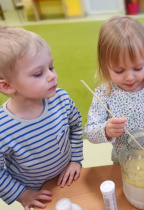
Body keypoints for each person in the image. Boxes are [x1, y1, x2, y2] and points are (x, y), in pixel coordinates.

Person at [84, 16, 144, 177]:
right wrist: (106, 130)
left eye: (137, 68)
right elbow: (89, 132)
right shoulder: (104, 92)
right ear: (105, 65)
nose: (130, 77)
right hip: (124, 163)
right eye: (119, 71)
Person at [0, 27, 83, 209]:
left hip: (69, 175)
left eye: (51, 67)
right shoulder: (2, 127)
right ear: (7, 86)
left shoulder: (62, 99)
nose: (52, 76)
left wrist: (75, 160)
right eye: (38, 73)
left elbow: (76, 126)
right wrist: (22, 194)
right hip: (37, 193)